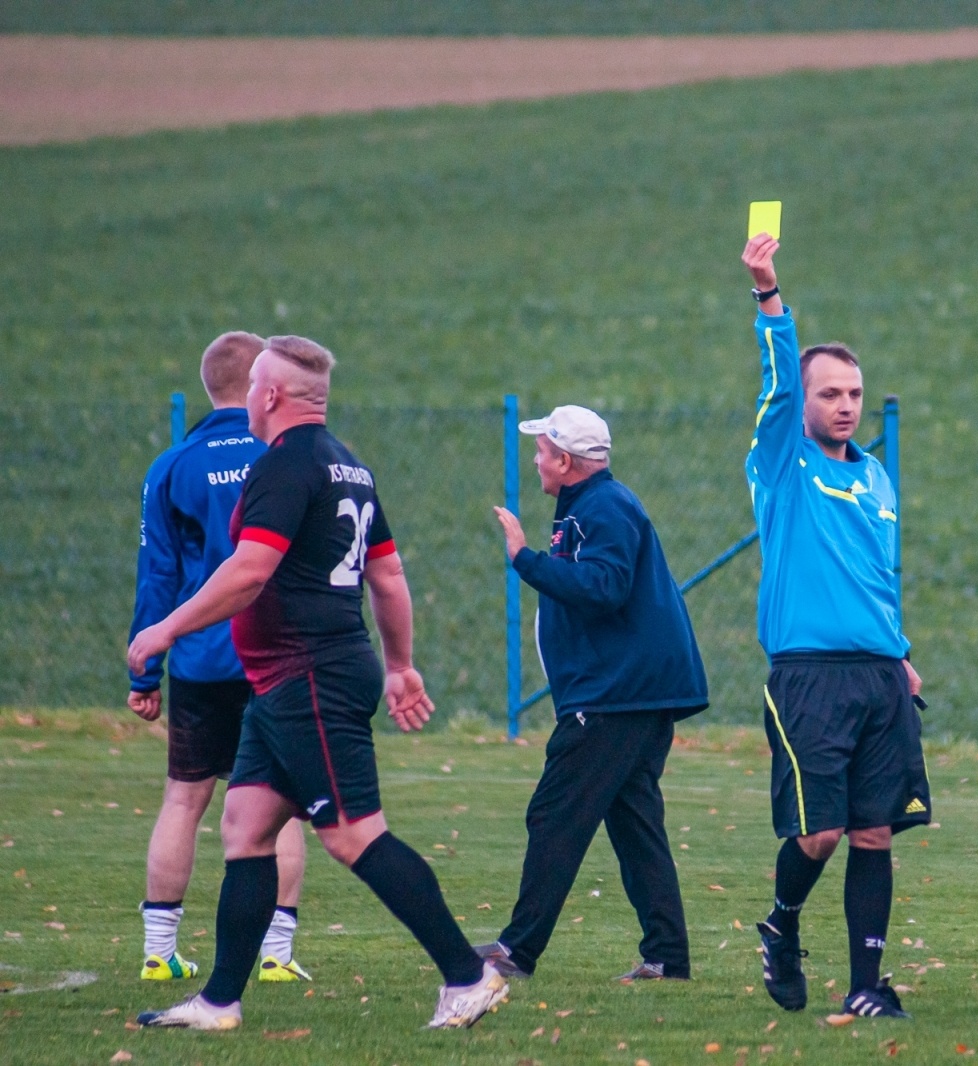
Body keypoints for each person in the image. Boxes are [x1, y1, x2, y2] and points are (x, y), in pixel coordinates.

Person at [127, 336, 507, 1032]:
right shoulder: (349, 466)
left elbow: (249, 572)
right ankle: (218, 1002)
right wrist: (399, 665)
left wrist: (165, 631)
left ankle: (468, 973)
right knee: (244, 828)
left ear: (268, 395)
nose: (246, 399)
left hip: (311, 676)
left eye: (251, 390)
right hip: (292, 679)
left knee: (354, 835)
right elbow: (387, 576)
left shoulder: (284, 466)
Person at [741, 234, 931, 1020]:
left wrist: (903, 655)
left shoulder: (876, 474)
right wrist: (769, 296)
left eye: (853, 393)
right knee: (819, 835)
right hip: (810, 676)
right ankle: (781, 928)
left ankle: (867, 985)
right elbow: (780, 381)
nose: (844, 404)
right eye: (830, 394)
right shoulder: (784, 460)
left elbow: (877, 576)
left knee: (874, 834)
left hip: (879, 676)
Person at [475, 404, 708, 985]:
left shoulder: (603, 507)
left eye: (542, 452)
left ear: (566, 460)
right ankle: (668, 958)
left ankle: (517, 951)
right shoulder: (592, 505)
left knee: (555, 815)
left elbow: (605, 587)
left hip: (615, 699)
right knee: (635, 827)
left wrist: (525, 560)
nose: (535, 461)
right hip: (626, 695)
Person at [127, 331, 310, 984]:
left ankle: (158, 952)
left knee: (183, 799)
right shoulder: (285, 457)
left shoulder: (173, 466)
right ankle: (276, 957)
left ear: (209, 384)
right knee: (279, 800)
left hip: (201, 660)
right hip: (273, 657)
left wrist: (144, 672)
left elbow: (158, 578)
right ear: (265, 380)